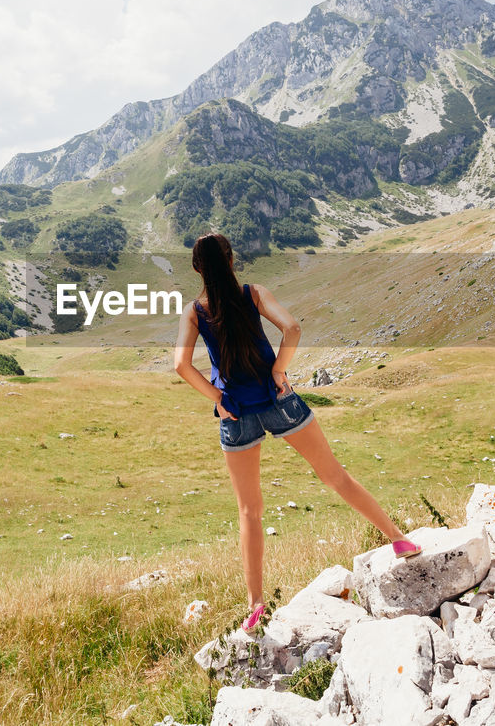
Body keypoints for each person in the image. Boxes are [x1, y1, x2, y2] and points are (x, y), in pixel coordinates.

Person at [173, 232, 420, 631]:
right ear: (232, 260)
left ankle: (255, 606)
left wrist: (218, 398)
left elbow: (181, 366)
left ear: (197, 268)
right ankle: (398, 538)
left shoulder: (194, 312)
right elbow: (292, 328)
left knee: (250, 512)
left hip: (235, 414)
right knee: (334, 476)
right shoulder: (254, 294)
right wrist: (278, 370)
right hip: (278, 399)